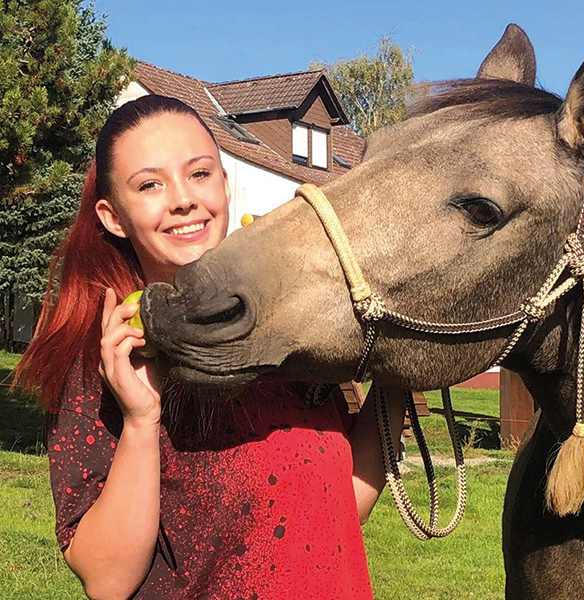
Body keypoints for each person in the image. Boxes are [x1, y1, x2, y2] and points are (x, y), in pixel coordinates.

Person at [14, 95, 405, 600]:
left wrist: (399, 370)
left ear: (224, 182)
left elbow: (337, 511)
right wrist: (140, 420)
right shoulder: (111, 363)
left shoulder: (285, 336)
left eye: (199, 173)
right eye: (150, 184)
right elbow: (107, 581)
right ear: (113, 217)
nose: (182, 199)